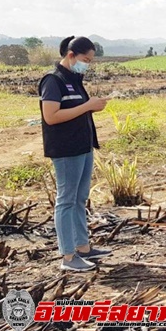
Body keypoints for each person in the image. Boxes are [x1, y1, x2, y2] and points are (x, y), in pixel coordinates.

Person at [39, 36, 112, 272]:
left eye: (90, 61)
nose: (87, 64)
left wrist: (90, 106)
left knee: (80, 199)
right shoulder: (53, 80)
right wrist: (88, 105)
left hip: (83, 146)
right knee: (66, 201)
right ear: (71, 55)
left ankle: (83, 247)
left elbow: (77, 111)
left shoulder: (75, 79)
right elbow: (51, 116)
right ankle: (68, 257)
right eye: (85, 59)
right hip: (65, 149)